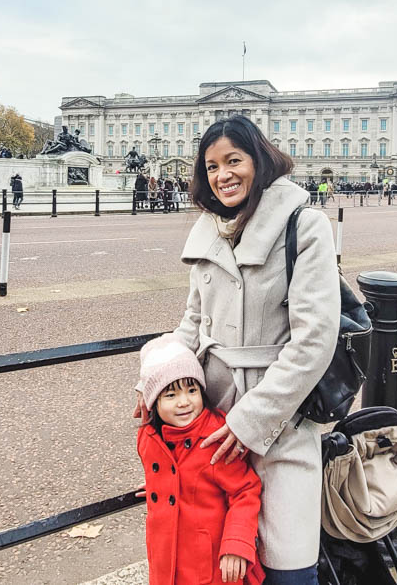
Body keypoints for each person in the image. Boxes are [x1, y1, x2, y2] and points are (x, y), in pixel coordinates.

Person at [134, 115, 340, 584]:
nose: (222, 175)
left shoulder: (304, 227)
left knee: (287, 567)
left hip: (276, 421)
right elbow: (191, 322)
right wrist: (156, 381)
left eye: (233, 161)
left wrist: (250, 423)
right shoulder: (210, 230)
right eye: (211, 167)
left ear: (259, 162)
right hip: (210, 423)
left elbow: (313, 340)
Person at [136, 334, 264, 585]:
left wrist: (236, 544)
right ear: (154, 403)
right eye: (170, 395)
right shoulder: (148, 438)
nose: (184, 402)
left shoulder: (214, 440)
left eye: (192, 390)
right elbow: (173, 470)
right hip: (166, 560)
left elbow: (245, 491)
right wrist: (160, 485)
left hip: (210, 565)